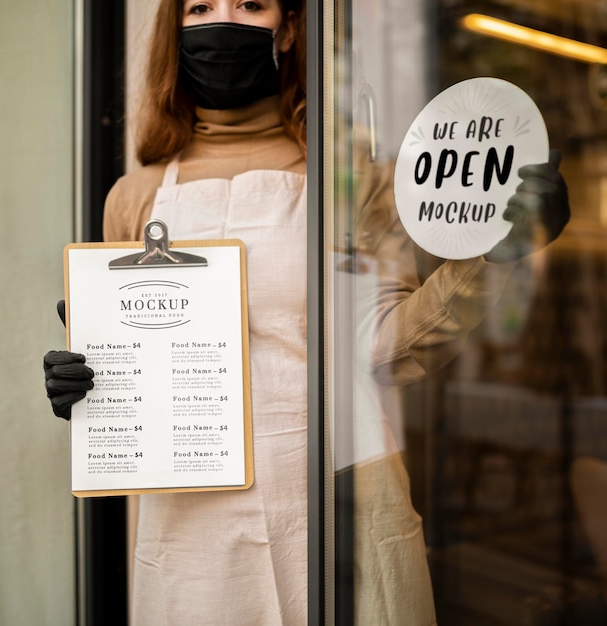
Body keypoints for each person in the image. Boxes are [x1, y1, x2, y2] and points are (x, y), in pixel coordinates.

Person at [43, 0, 570, 624]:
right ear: (174, 31)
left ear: (290, 27)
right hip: (193, 521)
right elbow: (131, 380)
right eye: (201, 7)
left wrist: (491, 257)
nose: (224, 23)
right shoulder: (133, 198)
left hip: (339, 501)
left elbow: (387, 349)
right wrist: (89, 386)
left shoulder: (350, 178)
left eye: (251, 5)